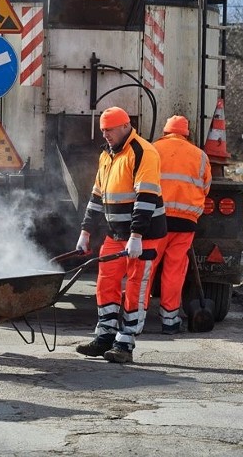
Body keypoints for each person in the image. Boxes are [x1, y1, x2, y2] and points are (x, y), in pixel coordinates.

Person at [75, 107, 167, 363]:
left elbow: (146, 197)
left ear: (125, 126)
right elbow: (96, 198)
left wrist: (136, 235)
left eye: (110, 130)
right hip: (116, 234)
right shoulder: (107, 156)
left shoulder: (143, 152)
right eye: (103, 130)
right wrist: (85, 231)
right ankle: (104, 337)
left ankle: (125, 345)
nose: (105, 135)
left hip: (144, 235)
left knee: (137, 287)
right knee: (106, 281)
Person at [145, 115, 212, 334]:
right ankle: (170, 319)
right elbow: (206, 187)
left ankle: (134, 316)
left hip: (155, 220)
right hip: (185, 223)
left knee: (146, 268)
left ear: (165, 133)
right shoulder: (200, 156)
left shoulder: (152, 150)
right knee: (174, 270)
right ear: (187, 134)